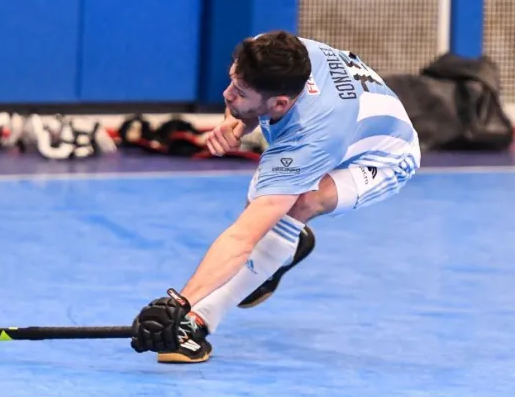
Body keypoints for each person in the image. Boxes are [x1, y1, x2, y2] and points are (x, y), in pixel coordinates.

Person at [128, 30, 421, 363]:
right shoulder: (267, 50)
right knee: (264, 212)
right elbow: (253, 99)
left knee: (295, 206)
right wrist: (236, 123)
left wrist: (181, 304)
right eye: (231, 81)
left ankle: (199, 323)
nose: (226, 94)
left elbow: (242, 237)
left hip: (384, 156)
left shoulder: (312, 136)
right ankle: (277, 255)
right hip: (346, 124)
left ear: (281, 103)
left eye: (238, 93)